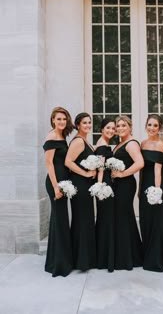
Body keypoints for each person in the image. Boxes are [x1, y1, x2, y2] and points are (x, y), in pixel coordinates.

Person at [43, 106, 74, 277]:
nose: (61, 121)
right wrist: (56, 186)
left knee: (60, 219)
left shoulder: (62, 136)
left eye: (64, 119)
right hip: (56, 183)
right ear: (53, 120)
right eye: (58, 119)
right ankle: (59, 265)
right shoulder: (52, 136)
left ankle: (60, 260)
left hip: (64, 182)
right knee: (59, 219)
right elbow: (49, 163)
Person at [139, 114, 163, 272]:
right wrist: (139, 190)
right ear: (146, 126)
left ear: (159, 128)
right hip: (144, 183)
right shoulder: (143, 143)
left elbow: (158, 170)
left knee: (156, 221)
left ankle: (156, 260)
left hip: (155, 185)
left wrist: (157, 192)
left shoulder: (160, 145)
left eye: (155, 125)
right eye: (149, 125)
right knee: (145, 220)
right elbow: (141, 169)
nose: (151, 128)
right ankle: (146, 255)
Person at [65, 112, 97, 271]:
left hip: (86, 185)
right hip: (80, 185)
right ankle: (81, 261)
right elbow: (68, 162)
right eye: (84, 123)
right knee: (82, 220)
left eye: (89, 122)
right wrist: (85, 173)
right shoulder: (78, 141)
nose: (88, 125)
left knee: (86, 220)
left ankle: (86, 258)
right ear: (78, 125)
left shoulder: (85, 140)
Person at [112, 115, 144, 270]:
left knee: (124, 217)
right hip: (118, 185)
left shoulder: (131, 144)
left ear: (130, 127)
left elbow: (140, 163)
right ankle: (127, 254)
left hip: (126, 184)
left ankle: (129, 258)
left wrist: (122, 174)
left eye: (123, 125)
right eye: (118, 126)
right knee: (122, 217)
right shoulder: (120, 143)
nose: (120, 128)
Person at [95, 118, 116, 272]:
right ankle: (105, 259)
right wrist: (101, 187)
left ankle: (104, 256)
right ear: (102, 129)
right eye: (108, 127)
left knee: (106, 218)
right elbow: (101, 168)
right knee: (106, 219)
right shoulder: (102, 144)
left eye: (113, 128)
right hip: (104, 184)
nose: (111, 130)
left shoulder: (103, 142)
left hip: (107, 182)